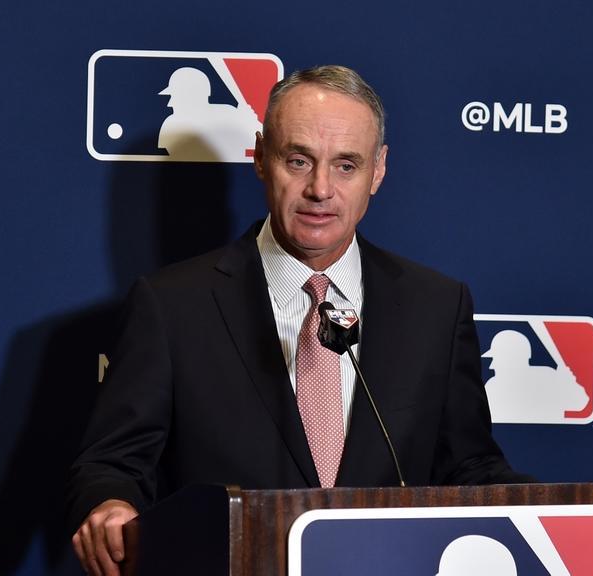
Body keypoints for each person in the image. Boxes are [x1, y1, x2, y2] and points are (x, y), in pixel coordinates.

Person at [67, 65, 531, 576]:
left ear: (379, 170)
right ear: (262, 157)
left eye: (346, 165)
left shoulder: (435, 306)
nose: (320, 189)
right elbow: (113, 464)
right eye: (298, 160)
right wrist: (109, 505)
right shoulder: (173, 304)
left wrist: (560, 514)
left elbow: (470, 467)